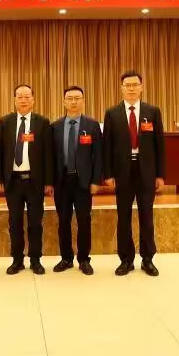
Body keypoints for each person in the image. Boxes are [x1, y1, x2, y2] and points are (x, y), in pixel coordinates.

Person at [103, 71, 166, 277]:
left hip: (146, 172)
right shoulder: (112, 113)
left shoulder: (152, 112)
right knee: (124, 217)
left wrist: (160, 175)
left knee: (147, 217)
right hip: (122, 172)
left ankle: (148, 259)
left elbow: (160, 145)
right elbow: (107, 146)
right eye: (127, 85)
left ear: (141, 87)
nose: (131, 88)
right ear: (121, 88)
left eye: (134, 85)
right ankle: (126, 260)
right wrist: (108, 174)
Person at [0, 84, 54, 275]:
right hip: (13, 181)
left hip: (35, 182)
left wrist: (49, 182)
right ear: (14, 100)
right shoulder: (5, 122)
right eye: (19, 97)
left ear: (33, 100)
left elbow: (48, 154)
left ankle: (35, 260)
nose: (23, 100)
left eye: (27, 96)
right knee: (15, 223)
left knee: (35, 223)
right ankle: (17, 260)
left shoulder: (42, 122)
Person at [51, 86, 102, 275]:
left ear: (83, 101)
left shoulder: (92, 125)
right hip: (62, 182)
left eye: (77, 98)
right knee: (63, 221)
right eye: (70, 98)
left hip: (83, 182)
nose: (73, 102)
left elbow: (98, 156)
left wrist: (95, 181)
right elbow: (51, 157)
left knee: (84, 221)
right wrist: (50, 182)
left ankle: (84, 259)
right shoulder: (55, 127)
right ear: (64, 102)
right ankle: (66, 258)